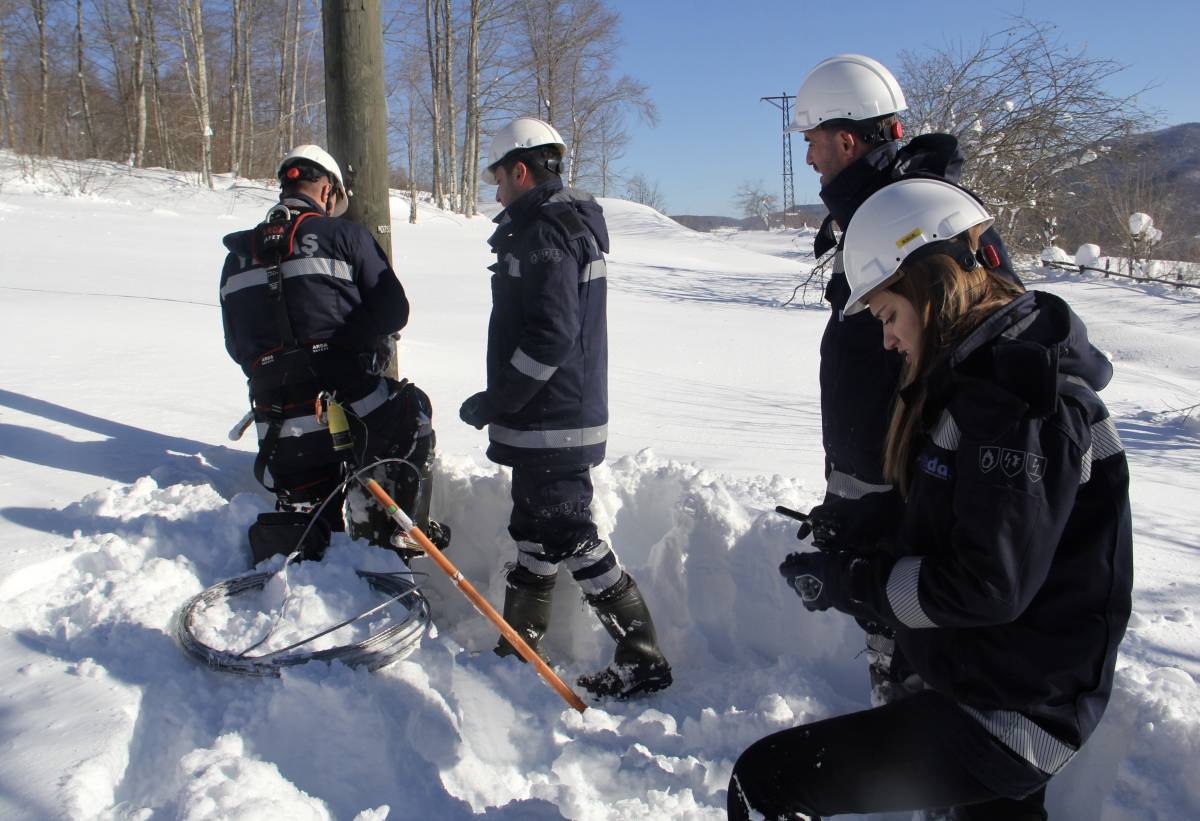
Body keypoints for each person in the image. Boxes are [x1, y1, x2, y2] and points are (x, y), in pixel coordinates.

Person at [728, 178, 1133, 820]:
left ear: (932, 282)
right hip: (1005, 687)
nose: (887, 340)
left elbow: (985, 584)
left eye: (889, 314)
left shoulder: (1016, 403)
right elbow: (978, 517)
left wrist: (855, 582)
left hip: (1011, 712)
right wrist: (871, 524)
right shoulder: (981, 382)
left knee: (766, 783)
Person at [787, 53, 1019, 702]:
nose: (809, 160)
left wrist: (881, 490)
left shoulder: (916, 216)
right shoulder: (883, 209)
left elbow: (969, 350)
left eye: (813, 143)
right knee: (889, 627)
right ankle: (913, 755)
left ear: (847, 138)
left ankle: (921, 768)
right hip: (882, 471)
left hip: (912, 481)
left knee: (913, 638)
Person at [460, 117, 671, 699]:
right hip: (549, 416)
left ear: (521, 170)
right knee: (534, 527)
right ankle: (520, 643)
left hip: (553, 417)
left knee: (570, 530)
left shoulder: (547, 232)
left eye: (498, 177)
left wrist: (498, 398)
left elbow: (551, 336)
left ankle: (643, 657)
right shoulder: (549, 226)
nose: (496, 190)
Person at [220, 144, 447, 563]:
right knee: (413, 413)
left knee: (310, 512)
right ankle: (404, 529)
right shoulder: (344, 236)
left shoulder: (236, 257)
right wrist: (353, 344)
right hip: (347, 402)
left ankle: (312, 545)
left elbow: (236, 346)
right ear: (326, 190)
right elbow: (394, 310)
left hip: (276, 420)